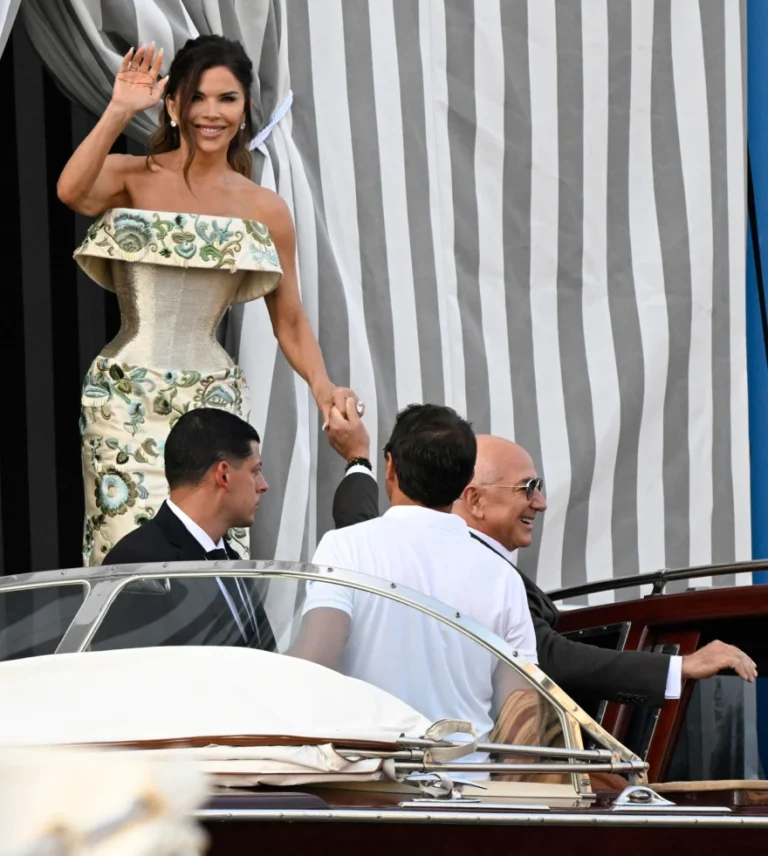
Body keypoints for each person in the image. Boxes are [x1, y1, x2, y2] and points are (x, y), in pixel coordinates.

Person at [57, 36, 360, 565]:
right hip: (124, 399)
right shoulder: (133, 176)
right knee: (123, 554)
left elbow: (289, 320)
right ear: (173, 104)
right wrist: (119, 109)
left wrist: (324, 388)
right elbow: (71, 191)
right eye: (197, 97)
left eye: (227, 98)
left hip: (213, 401)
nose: (211, 113)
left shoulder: (265, 208)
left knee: (210, 557)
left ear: (245, 109)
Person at [325, 400, 758, 712]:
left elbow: (355, 521)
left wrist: (358, 459)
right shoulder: (489, 578)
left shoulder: (367, 550)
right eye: (528, 488)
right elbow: (548, 659)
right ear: (472, 499)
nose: (542, 503)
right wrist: (679, 666)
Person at [290, 404, 538, 742]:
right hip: (469, 770)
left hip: (370, 767)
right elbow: (522, 717)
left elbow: (312, 666)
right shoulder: (502, 575)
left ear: (390, 466)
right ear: (467, 481)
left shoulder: (345, 546)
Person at [99, 408, 274, 650]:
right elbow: (129, 668)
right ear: (223, 475)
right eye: (255, 471)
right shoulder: (137, 563)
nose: (263, 485)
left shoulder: (231, 558)